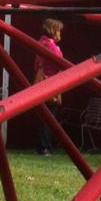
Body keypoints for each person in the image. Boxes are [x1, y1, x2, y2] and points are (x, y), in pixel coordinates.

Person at [33, 17, 65, 154]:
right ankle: (44, 147)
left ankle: (42, 145)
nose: (60, 34)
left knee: (43, 116)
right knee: (50, 116)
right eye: (59, 31)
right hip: (51, 81)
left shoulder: (41, 42)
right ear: (54, 31)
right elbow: (58, 63)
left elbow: (37, 64)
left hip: (42, 80)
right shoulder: (51, 45)